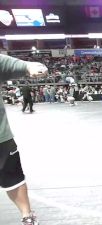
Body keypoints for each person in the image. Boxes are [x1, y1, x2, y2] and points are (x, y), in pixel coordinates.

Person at [0, 54, 48, 225]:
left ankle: (27, 216)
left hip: (1, 138)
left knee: (13, 178)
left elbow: (21, 65)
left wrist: (33, 67)